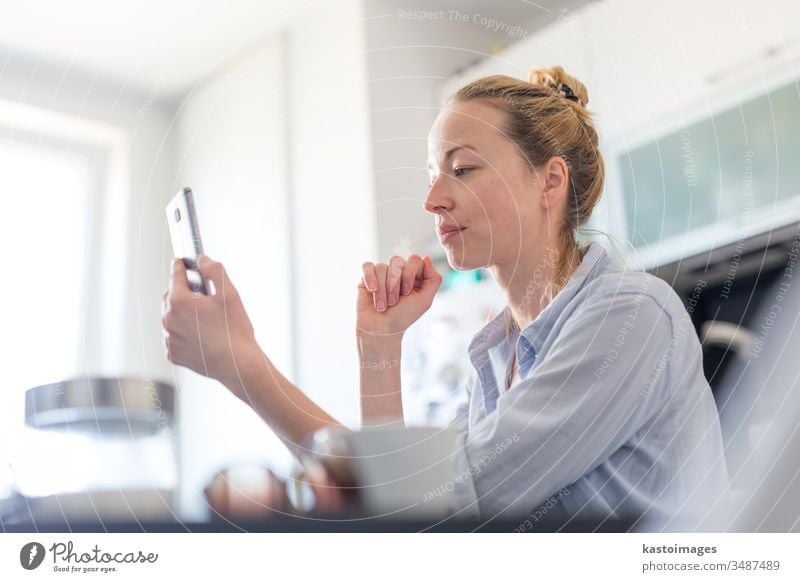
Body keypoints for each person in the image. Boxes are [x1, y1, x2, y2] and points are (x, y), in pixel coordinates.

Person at [162, 66, 729, 527]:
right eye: (432, 173)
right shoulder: (495, 358)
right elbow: (399, 507)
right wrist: (378, 347)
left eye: (462, 168)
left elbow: (448, 505)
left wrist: (243, 366)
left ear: (550, 182)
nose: (433, 198)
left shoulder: (630, 315)